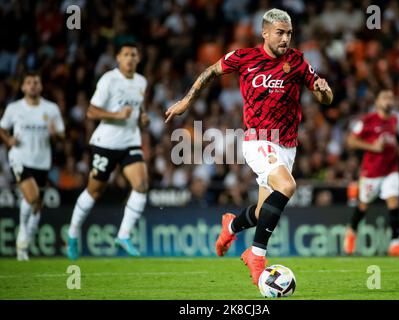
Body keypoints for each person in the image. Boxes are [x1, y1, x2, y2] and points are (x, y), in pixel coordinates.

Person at [165, 9, 333, 285]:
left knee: (261, 211)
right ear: (264, 33)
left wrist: (325, 92)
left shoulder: (298, 61)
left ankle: (230, 226)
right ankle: (256, 254)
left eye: (289, 33)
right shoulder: (244, 57)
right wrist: (186, 101)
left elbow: (324, 97)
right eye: (280, 32)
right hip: (258, 139)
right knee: (287, 187)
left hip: (287, 145)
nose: (285, 38)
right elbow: (210, 72)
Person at [66, 42, 149, 260]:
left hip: (130, 142)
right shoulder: (109, 80)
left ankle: (123, 235)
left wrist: (142, 117)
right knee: (94, 191)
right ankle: (73, 233)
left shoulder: (142, 81)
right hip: (106, 143)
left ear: (138, 59)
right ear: (118, 59)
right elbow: (91, 111)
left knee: (141, 185)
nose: (130, 58)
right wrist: (117, 115)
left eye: (134, 54)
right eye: (126, 54)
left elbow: (138, 107)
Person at [0, 72, 65, 261]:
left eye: (36, 82)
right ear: (23, 88)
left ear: (41, 86)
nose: (33, 86)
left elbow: (62, 135)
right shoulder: (14, 108)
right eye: (29, 83)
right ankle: (22, 234)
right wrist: (8, 140)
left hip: (42, 162)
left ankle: (24, 245)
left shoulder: (51, 109)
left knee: (37, 206)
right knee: (32, 196)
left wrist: (55, 134)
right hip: (19, 159)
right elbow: (1, 128)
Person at [344, 90, 399, 257]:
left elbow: (390, 139)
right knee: (364, 204)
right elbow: (351, 141)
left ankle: (395, 244)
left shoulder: (394, 120)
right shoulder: (368, 120)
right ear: (378, 102)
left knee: (394, 201)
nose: (389, 100)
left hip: (391, 169)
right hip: (372, 171)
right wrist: (373, 147)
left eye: (391, 97)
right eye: (385, 98)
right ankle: (351, 231)